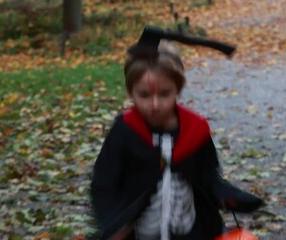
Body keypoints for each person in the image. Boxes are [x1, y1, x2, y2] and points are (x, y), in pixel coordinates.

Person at [90, 26, 263, 240]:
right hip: (135, 232)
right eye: (144, 95)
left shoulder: (195, 130)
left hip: (192, 230)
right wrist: (112, 221)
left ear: (178, 89)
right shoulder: (125, 131)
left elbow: (208, 176)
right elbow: (104, 183)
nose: (154, 104)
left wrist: (228, 196)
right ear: (130, 91)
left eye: (164, 94)